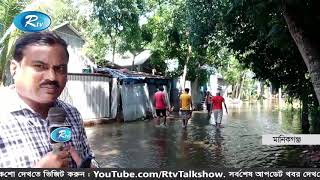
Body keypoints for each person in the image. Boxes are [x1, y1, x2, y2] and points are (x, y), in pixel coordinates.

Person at [0, 32, 99, 168]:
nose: (52, 77)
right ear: (14, 68)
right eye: (40, 66)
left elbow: (89, 158)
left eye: (60, 68)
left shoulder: (72, 113)